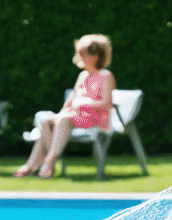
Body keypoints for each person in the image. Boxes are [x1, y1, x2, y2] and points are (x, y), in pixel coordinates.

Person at [14, 34, 115, 178]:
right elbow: (70, 102)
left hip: (96, 119)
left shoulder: (105, 75)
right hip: (76, 118)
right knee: (45, 121)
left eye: (83, 54)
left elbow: (106, 103)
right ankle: (37, 164)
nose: (80, 57)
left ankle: (46, 162)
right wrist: (61, 113)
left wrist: (84, 104)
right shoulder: (82, 76)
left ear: (96, 56)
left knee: (62, 120)